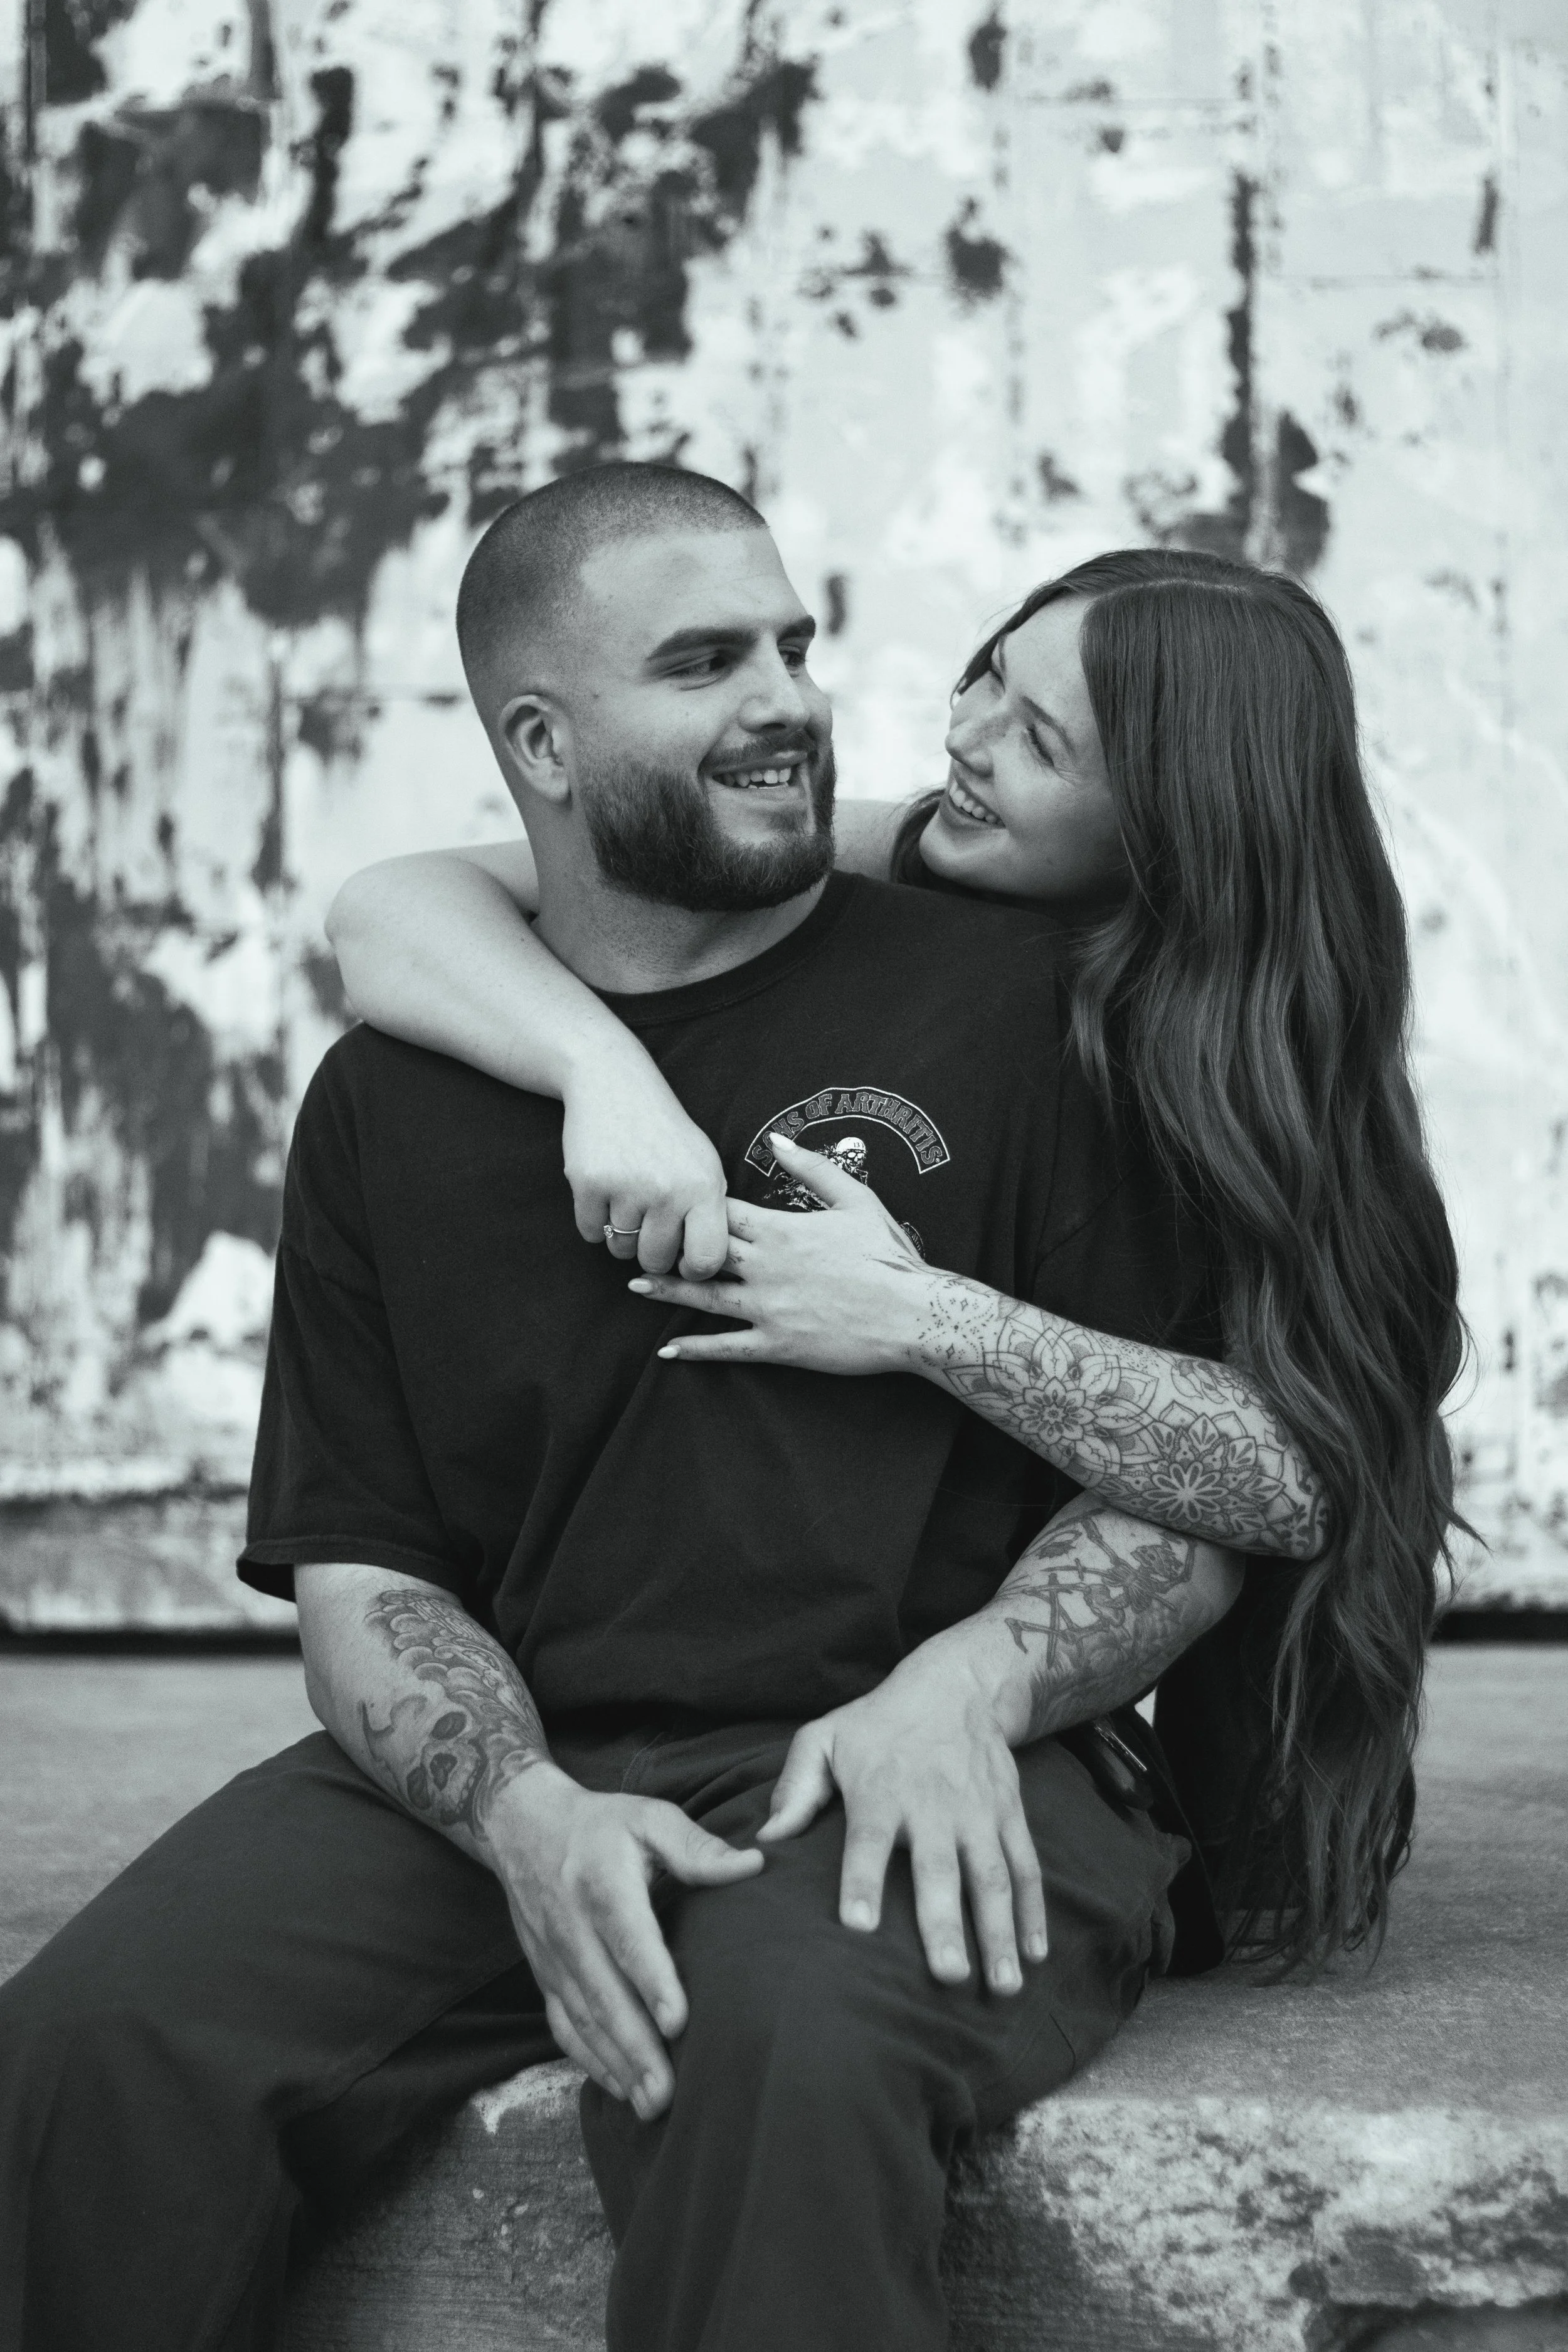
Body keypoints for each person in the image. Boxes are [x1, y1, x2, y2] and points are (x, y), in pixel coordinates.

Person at [0, 466, 1416, 2352]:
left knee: (773, 2049)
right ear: (542, 743)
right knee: (88, 2052)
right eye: (701, 663)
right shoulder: (390, 1095)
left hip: (930, 1741)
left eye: (792, 647)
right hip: (528, 1746)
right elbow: (360, 1572)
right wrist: (522, 1813)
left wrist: (977, 1674)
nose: (790, 702)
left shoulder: (1043, 1009)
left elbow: (1212, 1488)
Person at [327, 539, 1467, 1972]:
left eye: (1038, 740)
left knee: (1232, 1873)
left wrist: (923, 1320)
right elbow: (387, 914)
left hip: (1190, 1642)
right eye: (986, 677)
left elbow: (1298, 1478)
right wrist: (600, 1074)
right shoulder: (923, 849)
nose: (965, 737)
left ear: (1174, 822)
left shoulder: (1265, 1083)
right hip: (918, 1576)